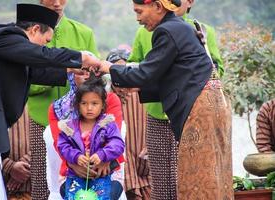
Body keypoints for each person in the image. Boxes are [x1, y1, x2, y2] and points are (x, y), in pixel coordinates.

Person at [93, 0, 233, 199]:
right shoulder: (181, 27)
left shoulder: (166, 31)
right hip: (212, 106)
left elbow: (145, 74)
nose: (137, 18)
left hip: (199, 109)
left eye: (139, 11)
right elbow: (167, 77)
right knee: (213, 171)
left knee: (198, 175)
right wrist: (132, 83)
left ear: (158, 6)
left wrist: (107, 67)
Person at [0, 3, 100, 199]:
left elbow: (35, 72)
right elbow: (40, 56)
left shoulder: (10, 48)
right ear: (34, 30)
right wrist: (80, 57)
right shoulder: (4, 37)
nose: (45, 46)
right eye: (45, 40)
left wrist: (70, 72)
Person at [127, 0, 225, 198]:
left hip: (190, 112)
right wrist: (124, 72)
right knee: (162, 179)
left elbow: (215, 69)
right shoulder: (145, 30)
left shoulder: (201, 30)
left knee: (194, 175)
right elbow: (135, 65)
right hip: (158, 113)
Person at [27, 1, 100, 199]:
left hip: (80, 126)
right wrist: (61, 75)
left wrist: (84, 81)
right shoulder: (29, 36)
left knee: (79, 184)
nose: (57, 3)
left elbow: (96, 81)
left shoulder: (84, 33)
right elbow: (26, 82)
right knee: (44, 184)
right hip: (41, 120)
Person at [46, 71, 126, 200]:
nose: (89, 108)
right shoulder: (69, 126)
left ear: (102, 105)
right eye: (84, 103)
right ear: (77, 105)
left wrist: (103, 156)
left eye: (94, 104)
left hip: (106, 173)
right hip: (74, 175)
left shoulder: (107, 123)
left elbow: (117, 143)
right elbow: (62, 145)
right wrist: (75, 158)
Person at [106, 48, 151, 200]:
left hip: (143, 164)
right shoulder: (103, 98)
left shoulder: (145, 95)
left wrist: (151, 145)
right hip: (119, 168)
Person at [2, 106, 31, 200]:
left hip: (35, 187)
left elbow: (51, 137)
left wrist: (27, 163)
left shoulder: (40, 98)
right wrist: (9, 166)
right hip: (1, 187)